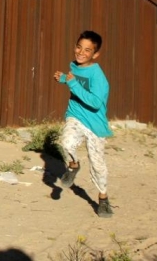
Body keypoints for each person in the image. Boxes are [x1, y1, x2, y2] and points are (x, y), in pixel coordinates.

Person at [53, 30, 114, 218]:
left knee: (97, 165)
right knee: (66, 143)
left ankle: (103, 199)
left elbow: (95, 102)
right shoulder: (75, 66)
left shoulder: (98, 76)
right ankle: (73, 165)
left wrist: (71, 84)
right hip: (76, 116)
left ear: (95, 55)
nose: (81, 52)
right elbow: (75, 81)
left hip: (95, 124)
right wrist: (64, 78)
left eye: (87, 50)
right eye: (79, 47)